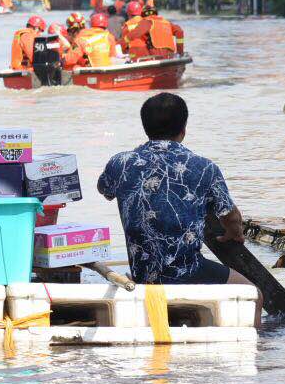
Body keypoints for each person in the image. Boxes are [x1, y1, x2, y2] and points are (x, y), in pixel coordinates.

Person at [98, 93, 250, 287]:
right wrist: (234, 232)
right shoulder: (205, 167)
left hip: (143, 274)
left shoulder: (120, 163)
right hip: (190, 272)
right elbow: (231, 216)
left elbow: (105, 190)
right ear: (183, 130)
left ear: (146, 128)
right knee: (253, 294)